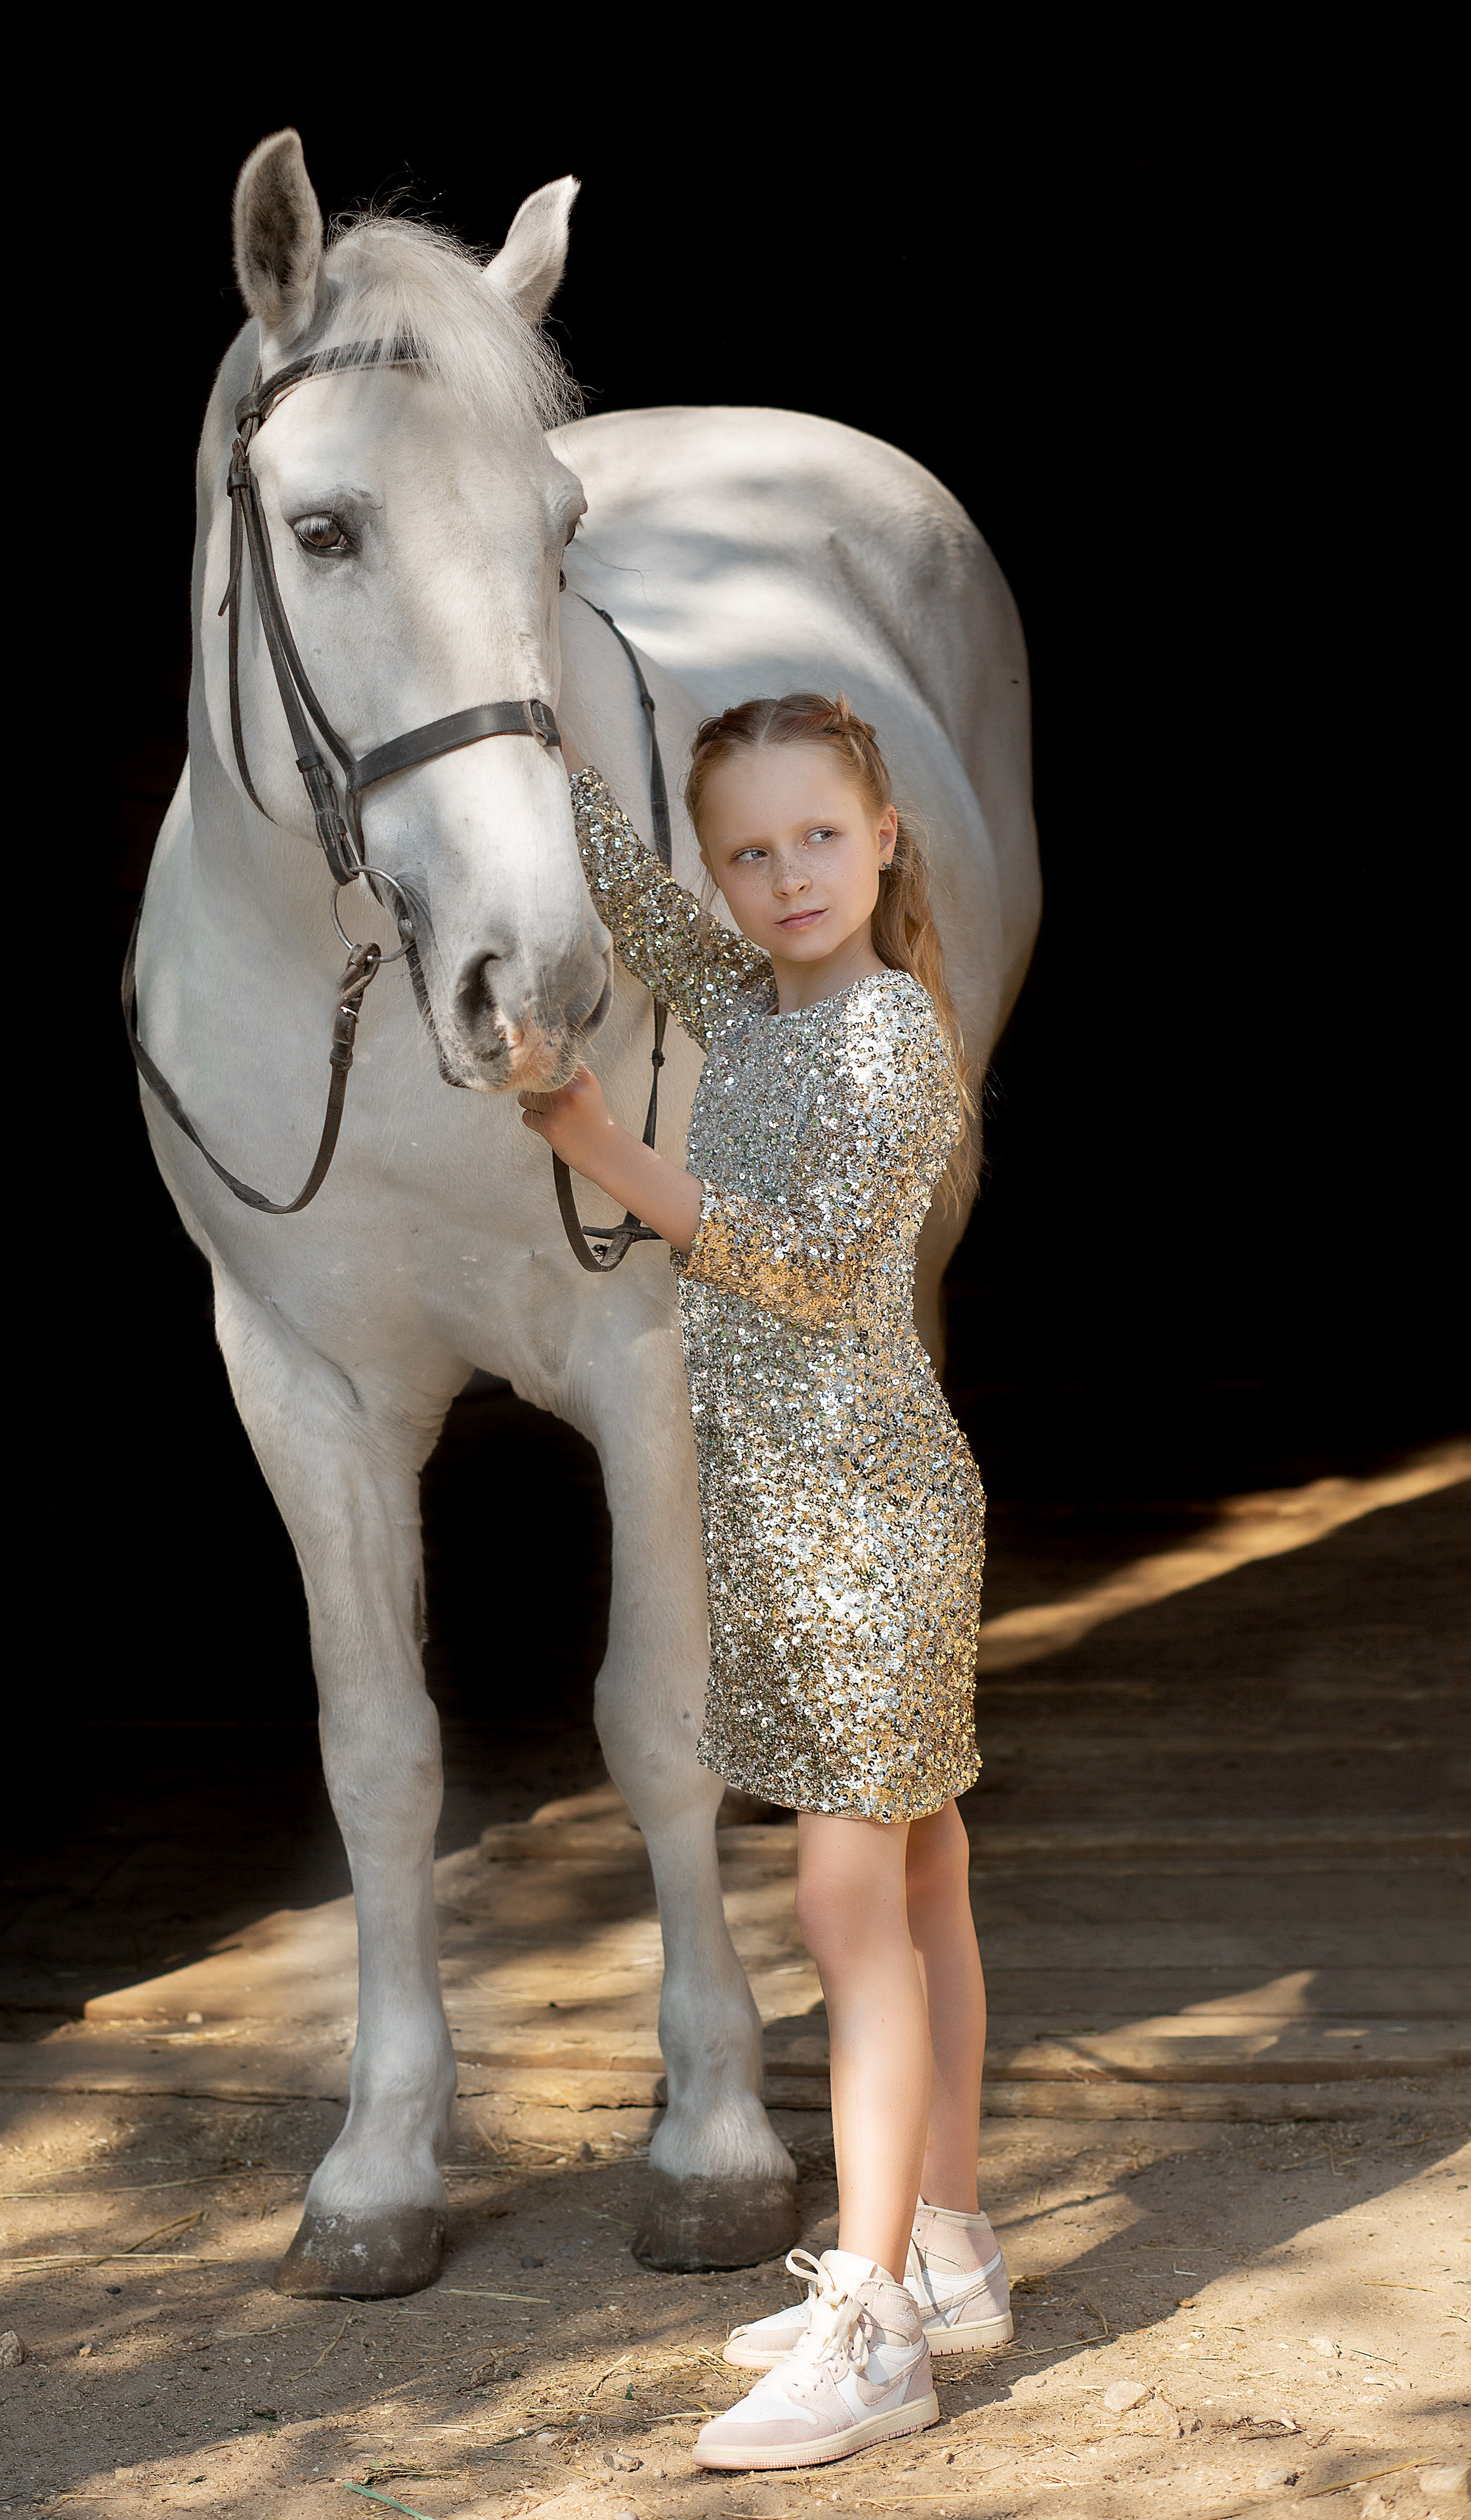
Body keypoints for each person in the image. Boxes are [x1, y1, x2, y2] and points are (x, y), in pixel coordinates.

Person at [520, 694, 1011, 2475]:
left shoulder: (890, 1038)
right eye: (750, 851)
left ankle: (871, 2330)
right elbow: (633, 898)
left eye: (818, 836)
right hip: (791, 1527)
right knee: (925, 1882)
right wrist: (534, 739)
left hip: (870, 1528)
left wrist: (599, 1147)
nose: (787, 874)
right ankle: (948, 2247)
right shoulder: (750, 999)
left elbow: (801, 1266)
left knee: (841, 1912)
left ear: (885, 838)